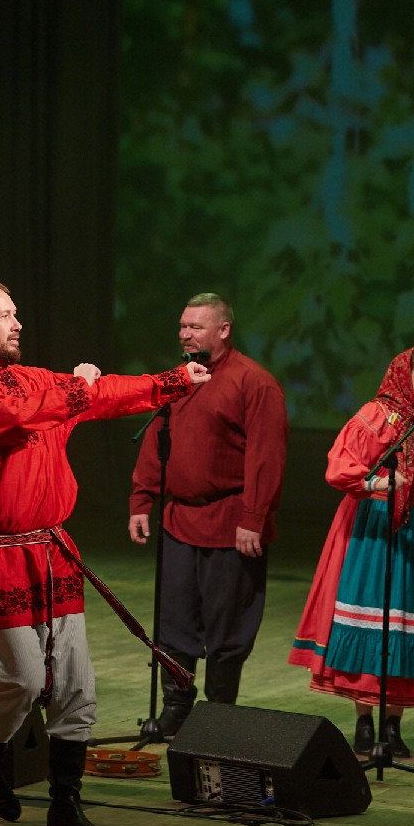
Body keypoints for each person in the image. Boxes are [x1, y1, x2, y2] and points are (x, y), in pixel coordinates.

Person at [0, 280, 209, 826]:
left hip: (51, 550)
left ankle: (65, 800)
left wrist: (172, 381)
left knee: (76, 683)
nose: (18, 323)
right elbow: (18, 416)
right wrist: (78, 387)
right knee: (24, 677)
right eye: (6, 315)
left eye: (17, 313)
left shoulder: (35, 380)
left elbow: (103, 395)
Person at [288, 346, 414, 756]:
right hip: (371, 528)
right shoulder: (377, 415)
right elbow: (339, 466)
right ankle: (363, 722)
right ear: (404, 377)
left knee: (405, 624)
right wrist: (375, 483)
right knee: (369, 617)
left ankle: (392, 725)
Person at [127, 293, 288, 733]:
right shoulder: (179, 379)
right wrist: (142, 499)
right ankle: (176, 709)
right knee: (174, 622)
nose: (185, 334)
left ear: (224, 330)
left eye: (195, 327)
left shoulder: (254, 382)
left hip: (231, 524)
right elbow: (155, 441)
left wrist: (253, 518)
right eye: (183, 326)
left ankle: (218, 715)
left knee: (227, 627)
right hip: (179, 521)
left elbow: (266, 457)